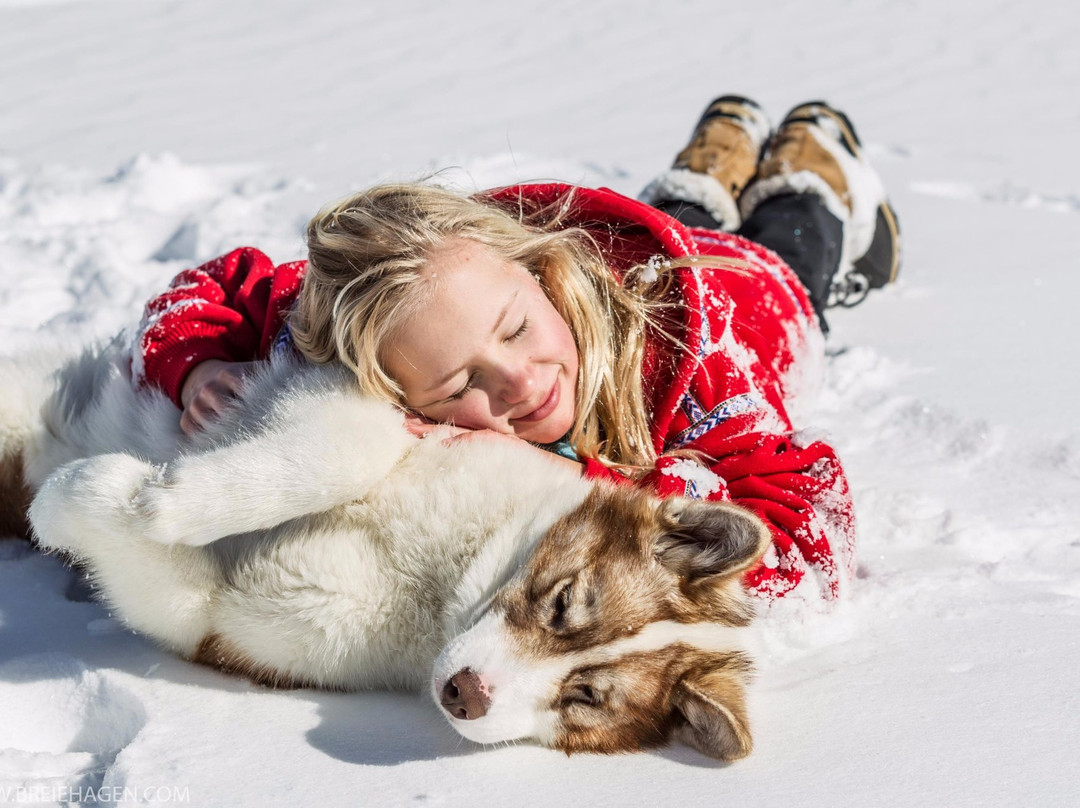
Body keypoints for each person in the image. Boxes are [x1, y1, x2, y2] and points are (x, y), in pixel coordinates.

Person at [132, 97, 900, 602]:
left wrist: (584, 477)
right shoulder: (385, 306)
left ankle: (812, 159)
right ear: (393, 392)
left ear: (538, 269)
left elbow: (807, 534)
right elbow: (211, 289)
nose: (520, 381)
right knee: (677, 211)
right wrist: (198, 363)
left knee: (791, 234)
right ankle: (714, 156)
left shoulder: (694, 365)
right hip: (643, 241)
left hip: (748, 287)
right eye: (459, 382)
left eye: (515, 329)